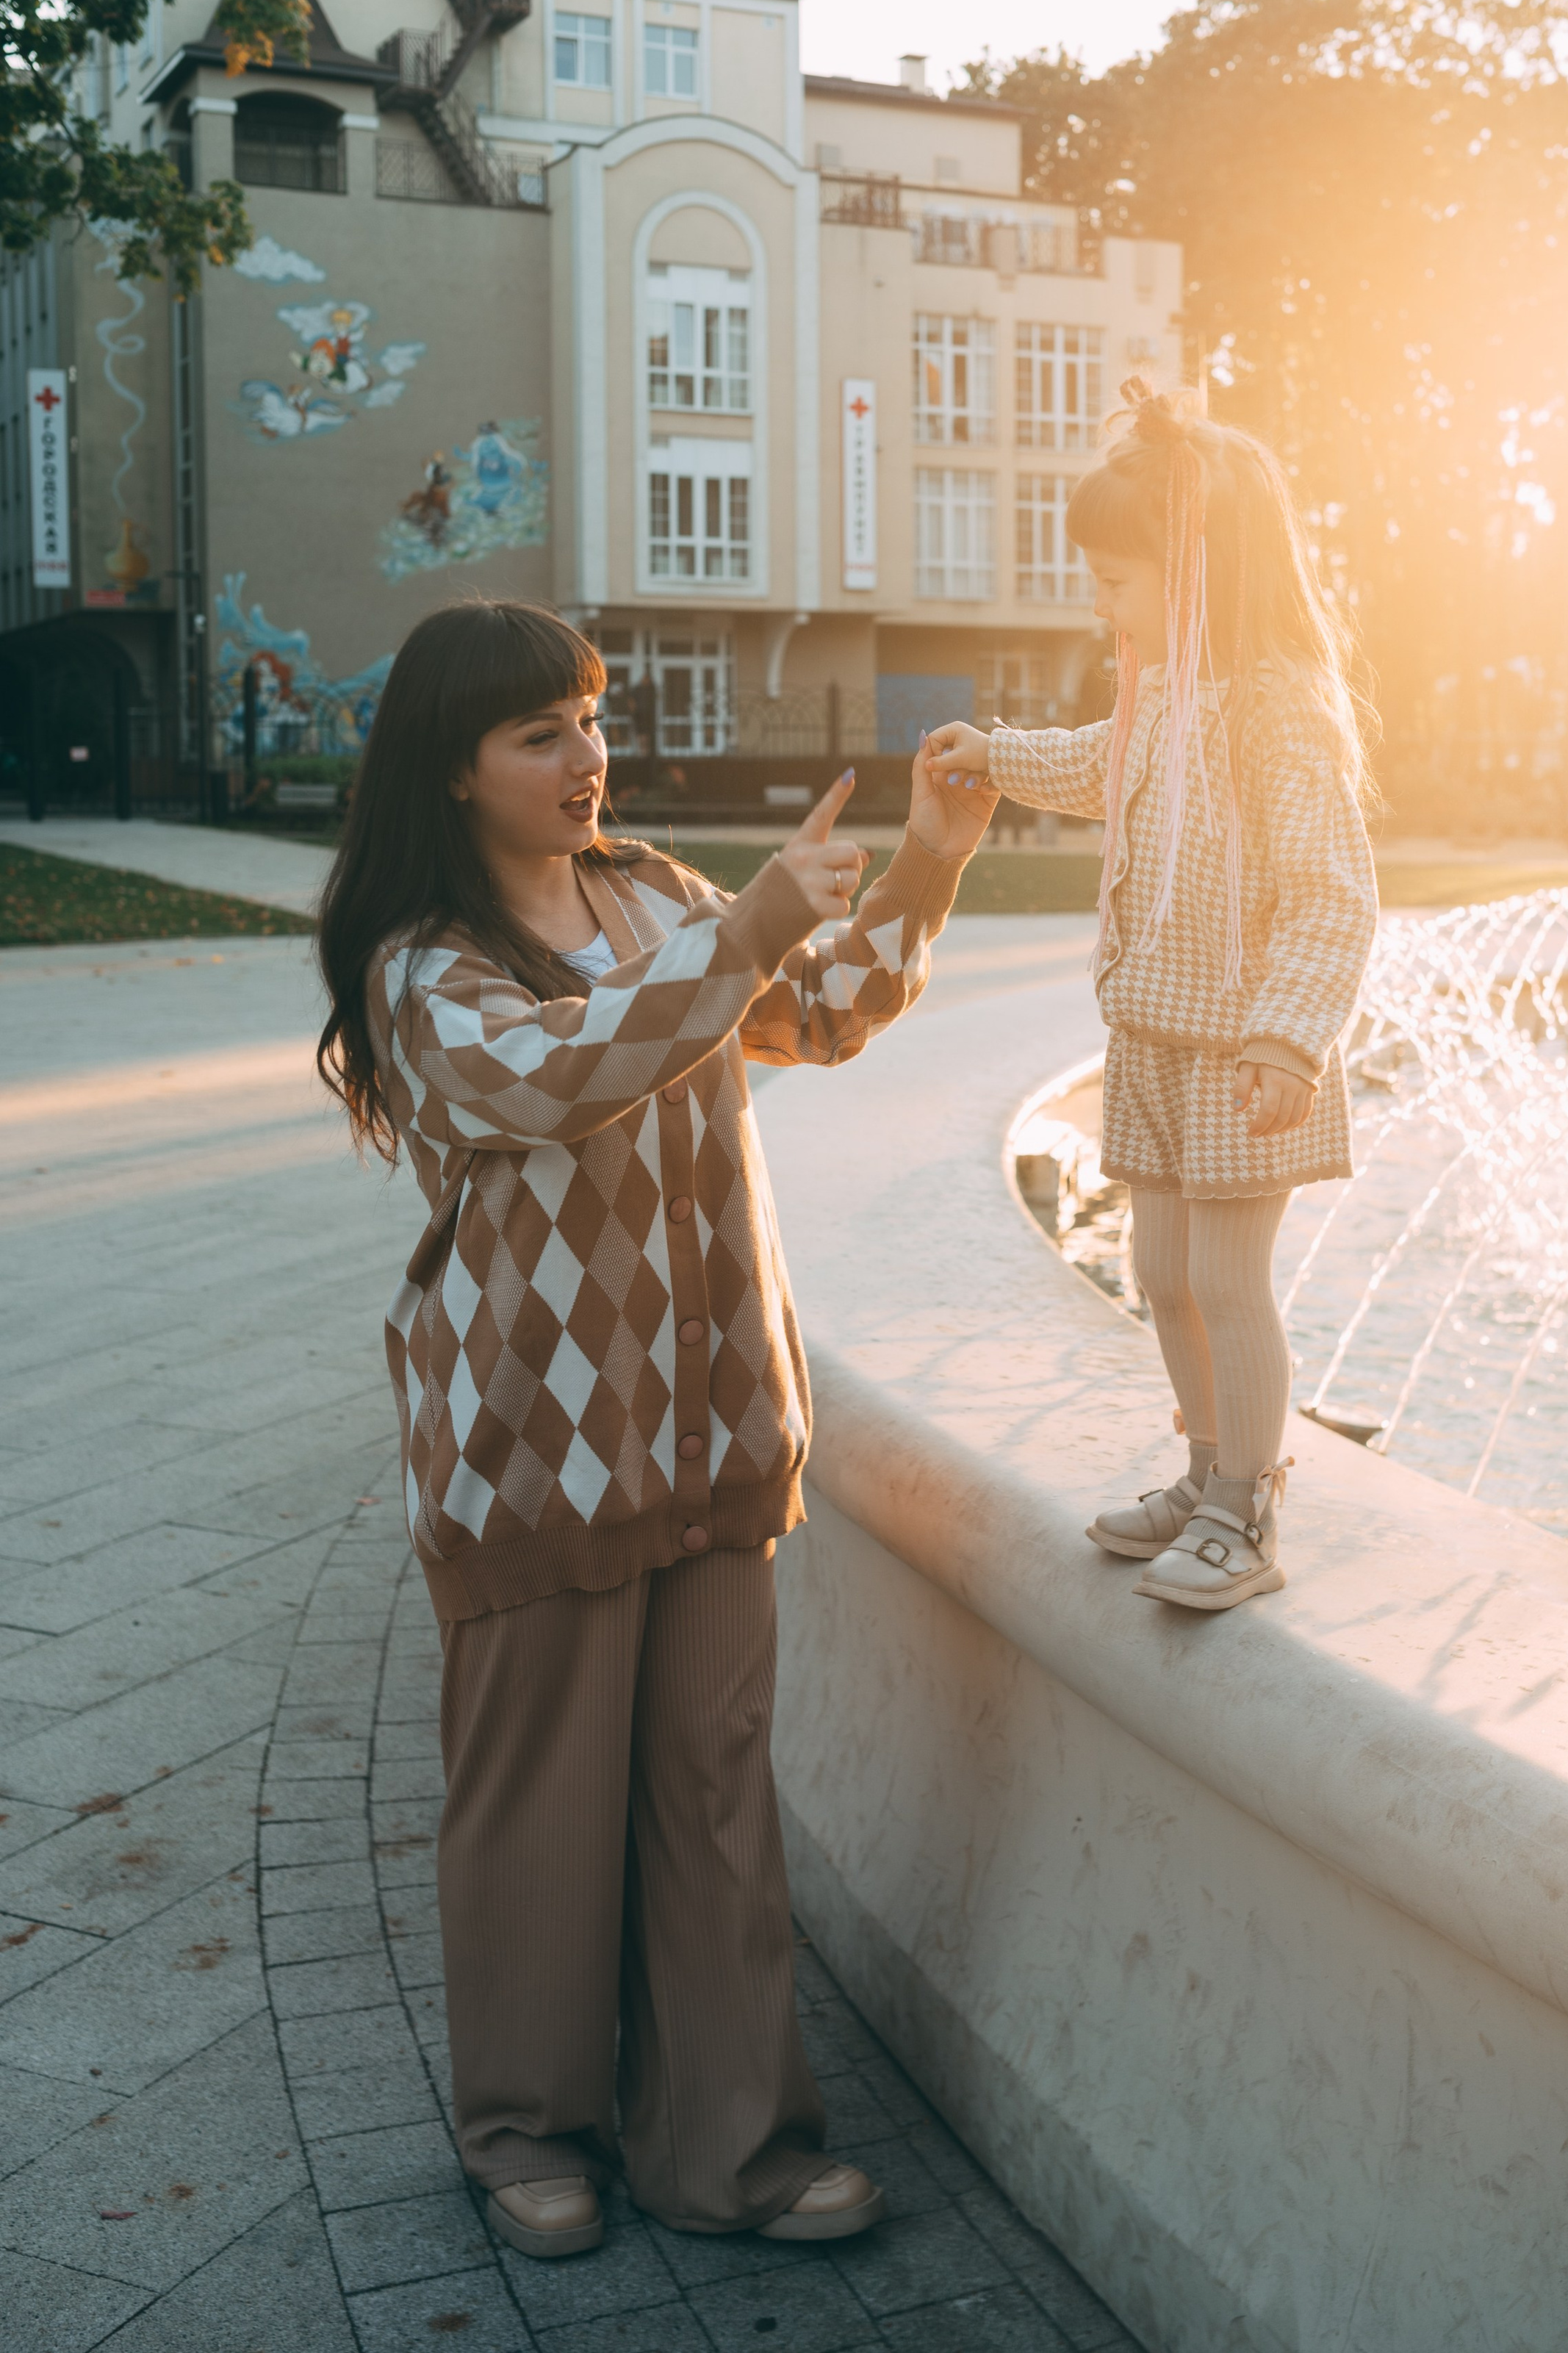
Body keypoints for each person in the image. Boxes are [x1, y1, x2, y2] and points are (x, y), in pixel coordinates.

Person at [316, 600, 995, 2261]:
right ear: (453, 769)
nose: (585, 754)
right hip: (536, 1446)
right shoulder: (423, 963)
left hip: (712, 1426)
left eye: (591, 717)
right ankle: (527, 2131)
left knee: (708, 1788)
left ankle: (730, 2149)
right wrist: (747, 928)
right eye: (539, 731)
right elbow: (550, 1077)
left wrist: (931, 856)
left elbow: (821, 1010)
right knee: (538, 1806)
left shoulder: (656, 895)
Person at [926, 380, 1376, 1611]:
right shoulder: (1162, 693)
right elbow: (1095, 764)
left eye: (1117, 581)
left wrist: (1290, 1041)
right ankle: (1204, 1474)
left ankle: (1251, 1505)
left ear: (1200, 572)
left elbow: (1334, 896)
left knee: (1229, 1282)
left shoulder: (1280, 712)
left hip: (1244, 1052)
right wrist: (998, 754)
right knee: (1164, 1273)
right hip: (1154, 1042)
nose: (1098, 603)